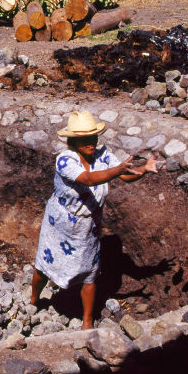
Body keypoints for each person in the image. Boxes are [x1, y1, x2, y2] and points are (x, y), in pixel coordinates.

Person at [30, 110, 159, 330]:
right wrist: (116, 170)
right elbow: (89, 179)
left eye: (93, 137)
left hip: (88, 224)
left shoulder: (103, 155)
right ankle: (33, 300)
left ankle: (87, 320)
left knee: (90, 272)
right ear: (73, 140)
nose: (90, 143)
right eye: (84, 139)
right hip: (61, 224)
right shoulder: (65, 160)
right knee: (45, 264)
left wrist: (143, 170)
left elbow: (124, 175)